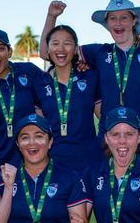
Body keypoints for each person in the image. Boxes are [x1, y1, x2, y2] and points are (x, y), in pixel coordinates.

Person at [40, 0, 140, 161]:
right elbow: (48, 53)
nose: (118, 23)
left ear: (134, 20)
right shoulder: (99, 52)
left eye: (124, 18)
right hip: (109, 139)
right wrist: (51, 17)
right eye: (113, 18)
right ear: (107, 23)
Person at [36, 25, 101, 171]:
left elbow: (102, 116)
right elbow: (40, 127)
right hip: (54, 162)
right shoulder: (39, 83)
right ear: (48, 49)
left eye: (67, 43)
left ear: (75, 48)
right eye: (55, 43)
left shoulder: (90, 77)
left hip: (89, 160)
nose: (61, 49)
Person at [0, 28, 43, 164]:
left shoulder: (28, 71)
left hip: (29, 158)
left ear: (9, 52)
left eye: (0, 49)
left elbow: (52, 85)